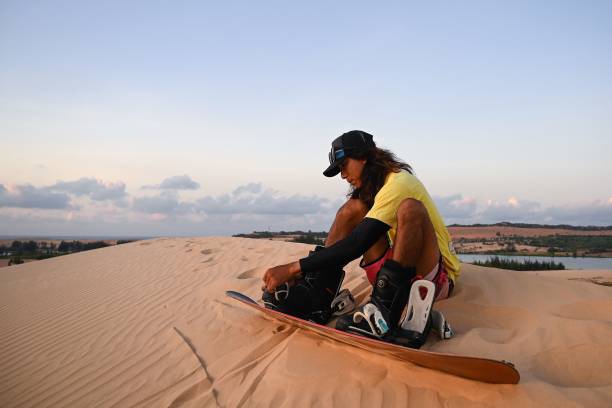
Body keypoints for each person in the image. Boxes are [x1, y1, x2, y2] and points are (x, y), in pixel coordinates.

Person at [262, 130, 460, 346]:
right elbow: (355, 238)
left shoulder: (400, 183)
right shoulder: (373, 190)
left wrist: (292, 269)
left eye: (344, 165)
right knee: (352, 209)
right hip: (392, 279)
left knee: (410, 208)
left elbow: (356, 244)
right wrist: (307, 273)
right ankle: (316, 297)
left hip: (431, 281)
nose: (342, 175)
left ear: (364, 156)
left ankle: (385, 314)